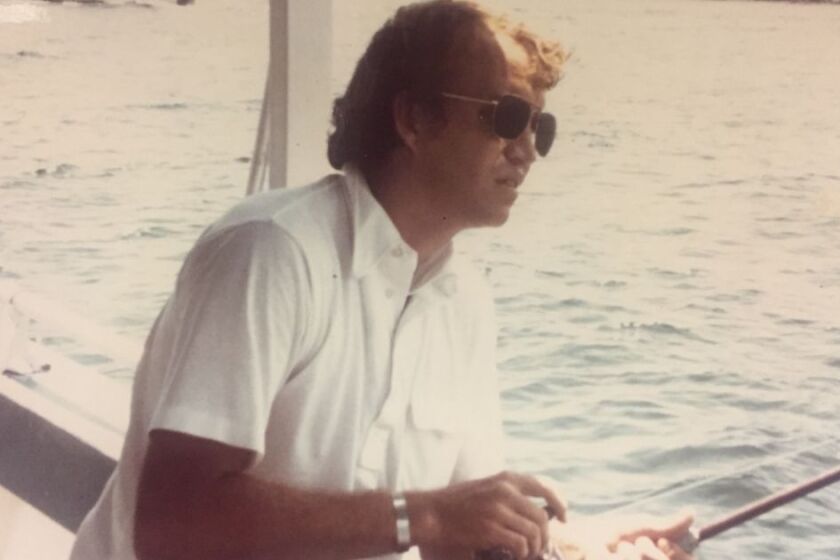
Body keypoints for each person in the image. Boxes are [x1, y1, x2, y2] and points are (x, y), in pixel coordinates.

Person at [70, 2, 694, 559]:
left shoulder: (464, 303)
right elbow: (172, 523)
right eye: (507, 118)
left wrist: (576, 548)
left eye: (540, 128)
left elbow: (457, 537)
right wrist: (420, 515)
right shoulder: (271, 253)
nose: (527, 149)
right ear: (413, 120)